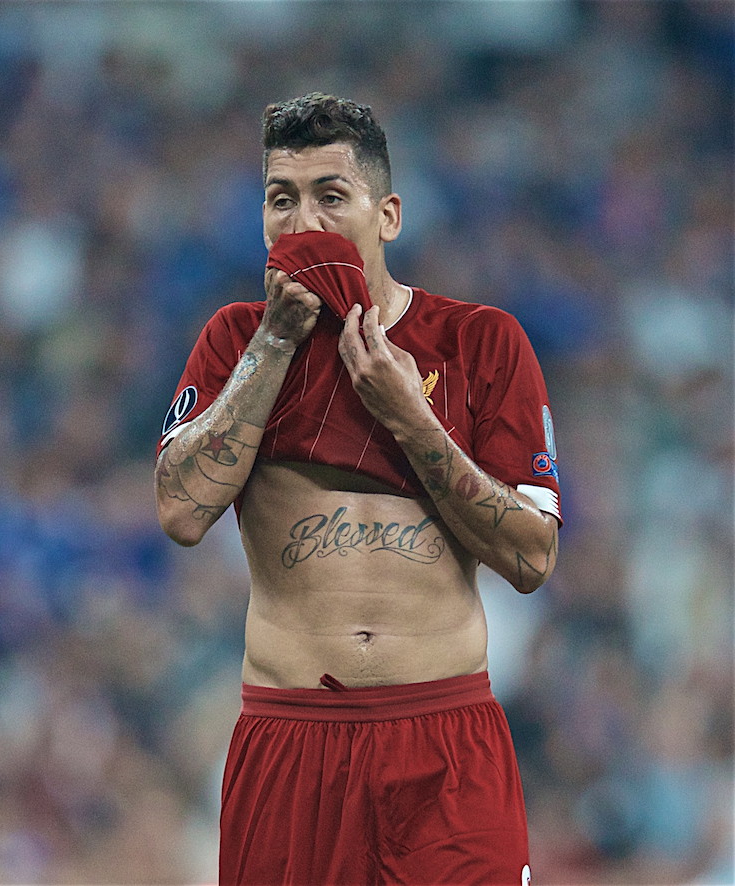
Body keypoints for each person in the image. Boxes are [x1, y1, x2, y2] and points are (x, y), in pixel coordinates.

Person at [154, 93, 561, 885]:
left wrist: (412, 417)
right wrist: (275, 343)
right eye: (282, 199)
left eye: (330, 196)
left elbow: (532, 557)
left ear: (389, 215)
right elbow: (179, 510)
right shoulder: (234, 341)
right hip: (292, 739)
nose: (303, 219)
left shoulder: (480, 343)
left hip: (443, 740)